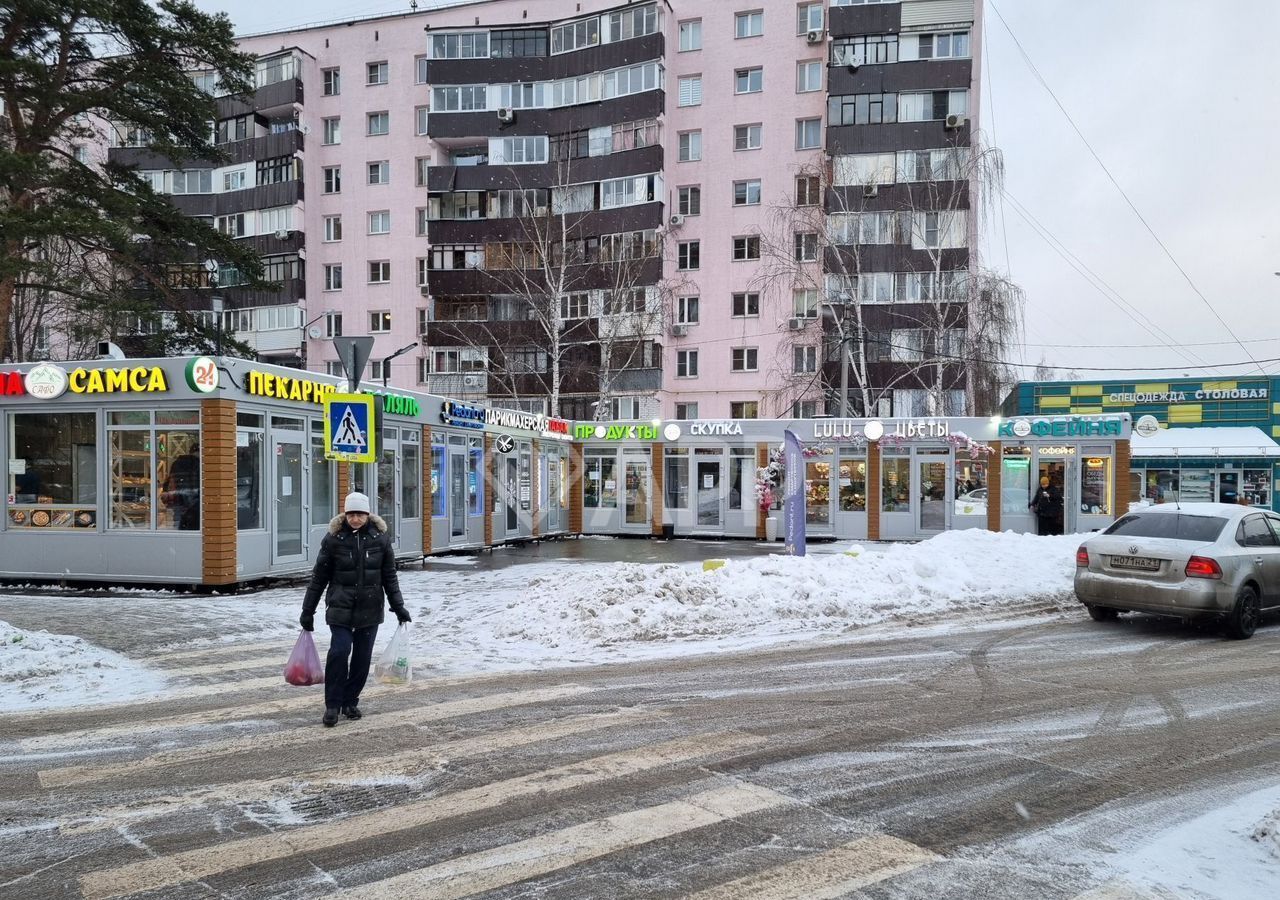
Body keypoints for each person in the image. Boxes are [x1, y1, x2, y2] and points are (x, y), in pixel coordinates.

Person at [300, 492, 412, 727]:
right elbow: (319, 578)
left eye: (360, 514)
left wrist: (398, 606)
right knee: (339, 652)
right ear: (345, 514)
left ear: (367, 514)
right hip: (340, 606)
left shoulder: (380, 539)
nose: (356, 519)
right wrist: (307, 610)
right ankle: (332, 704)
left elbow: (389, 576)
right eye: (351, 514)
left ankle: (350, 701)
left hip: (370, 608)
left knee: (361, 658)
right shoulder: (333, 539)